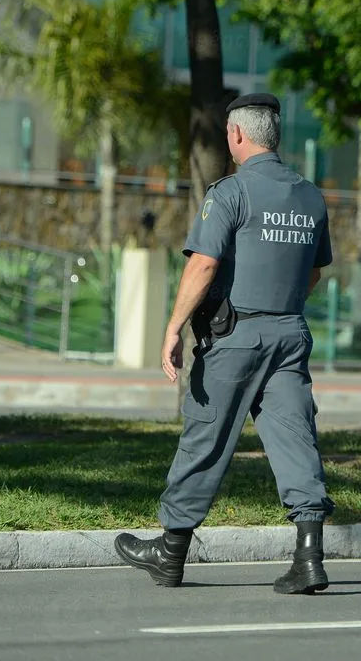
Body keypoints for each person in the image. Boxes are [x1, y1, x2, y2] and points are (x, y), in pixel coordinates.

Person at [113, 92, 336, 594]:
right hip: (289, 335)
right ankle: (309, 555)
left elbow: (204, 263)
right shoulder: (310, 196)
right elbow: (315, 271)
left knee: (204, 439)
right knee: (295, 436)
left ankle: (169, 552)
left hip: (235, 338)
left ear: (237, 135)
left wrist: (172, 327)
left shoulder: (230, 192)